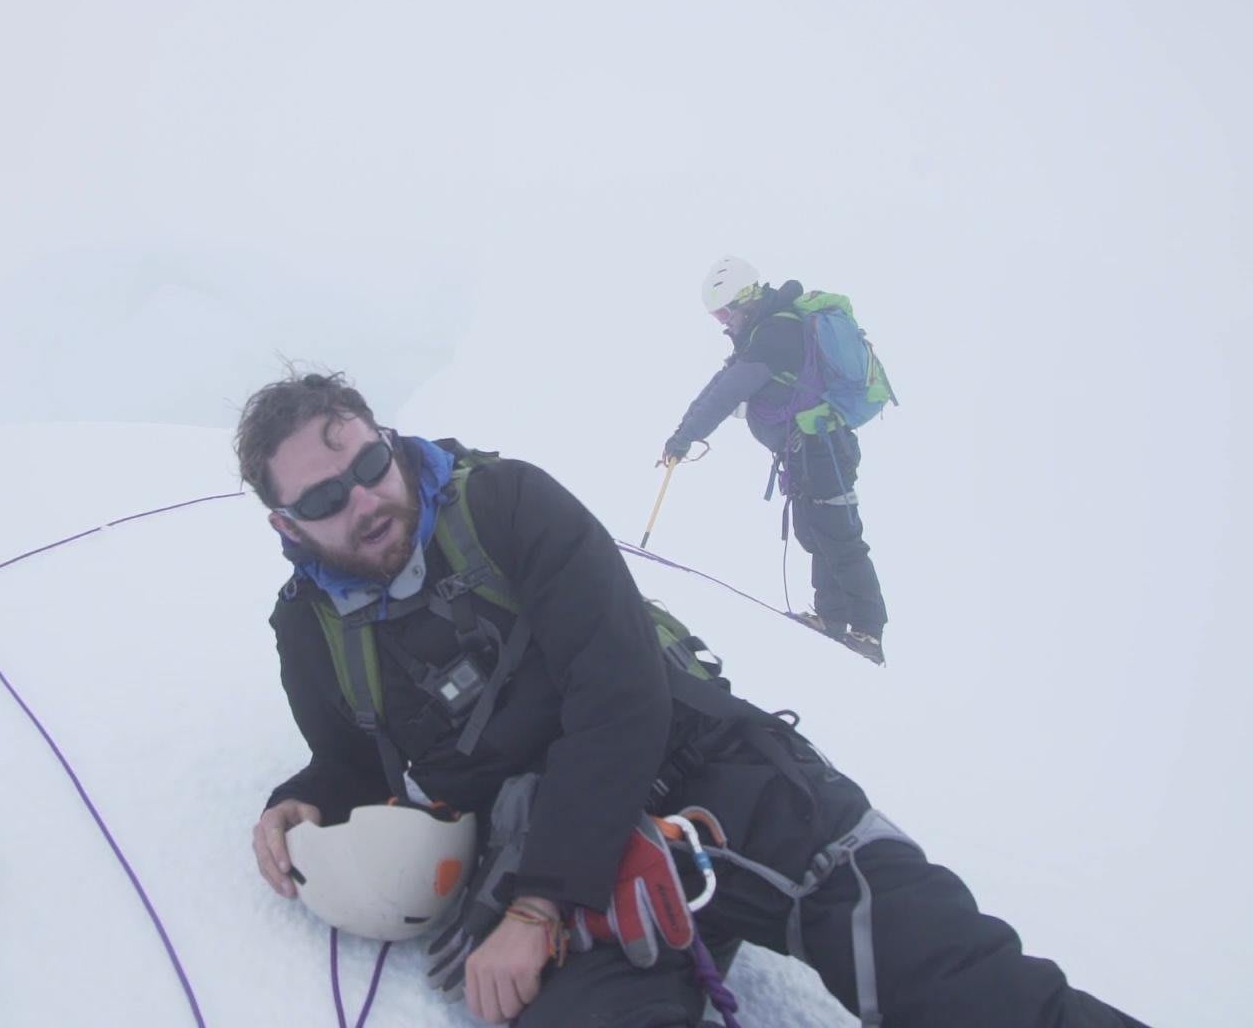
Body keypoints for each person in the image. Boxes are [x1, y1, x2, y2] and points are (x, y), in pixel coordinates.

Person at [241, 370, 1144, 1027]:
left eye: (370, 463)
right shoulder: (309, 631)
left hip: (714, 778)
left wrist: (535, 907)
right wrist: (305, 800)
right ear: (287, 524)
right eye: (324, 498)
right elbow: (355, 759)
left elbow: (620, 689)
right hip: (548, 849)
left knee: (965, 986)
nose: (364, 499)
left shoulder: (509, 504)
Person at [664, 256, 890, 664]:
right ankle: (832, 619)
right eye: (717, 316)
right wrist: (683, 432)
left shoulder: (776, 333)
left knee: (839, 536)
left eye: (724, 313)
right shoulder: (761, 333)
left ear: (744, 299)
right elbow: (722, 382)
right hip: (806, 452)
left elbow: (729, 391)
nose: (723, 323)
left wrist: (685, 438)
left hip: (823, 449)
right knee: (815, 532)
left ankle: (868, 633)